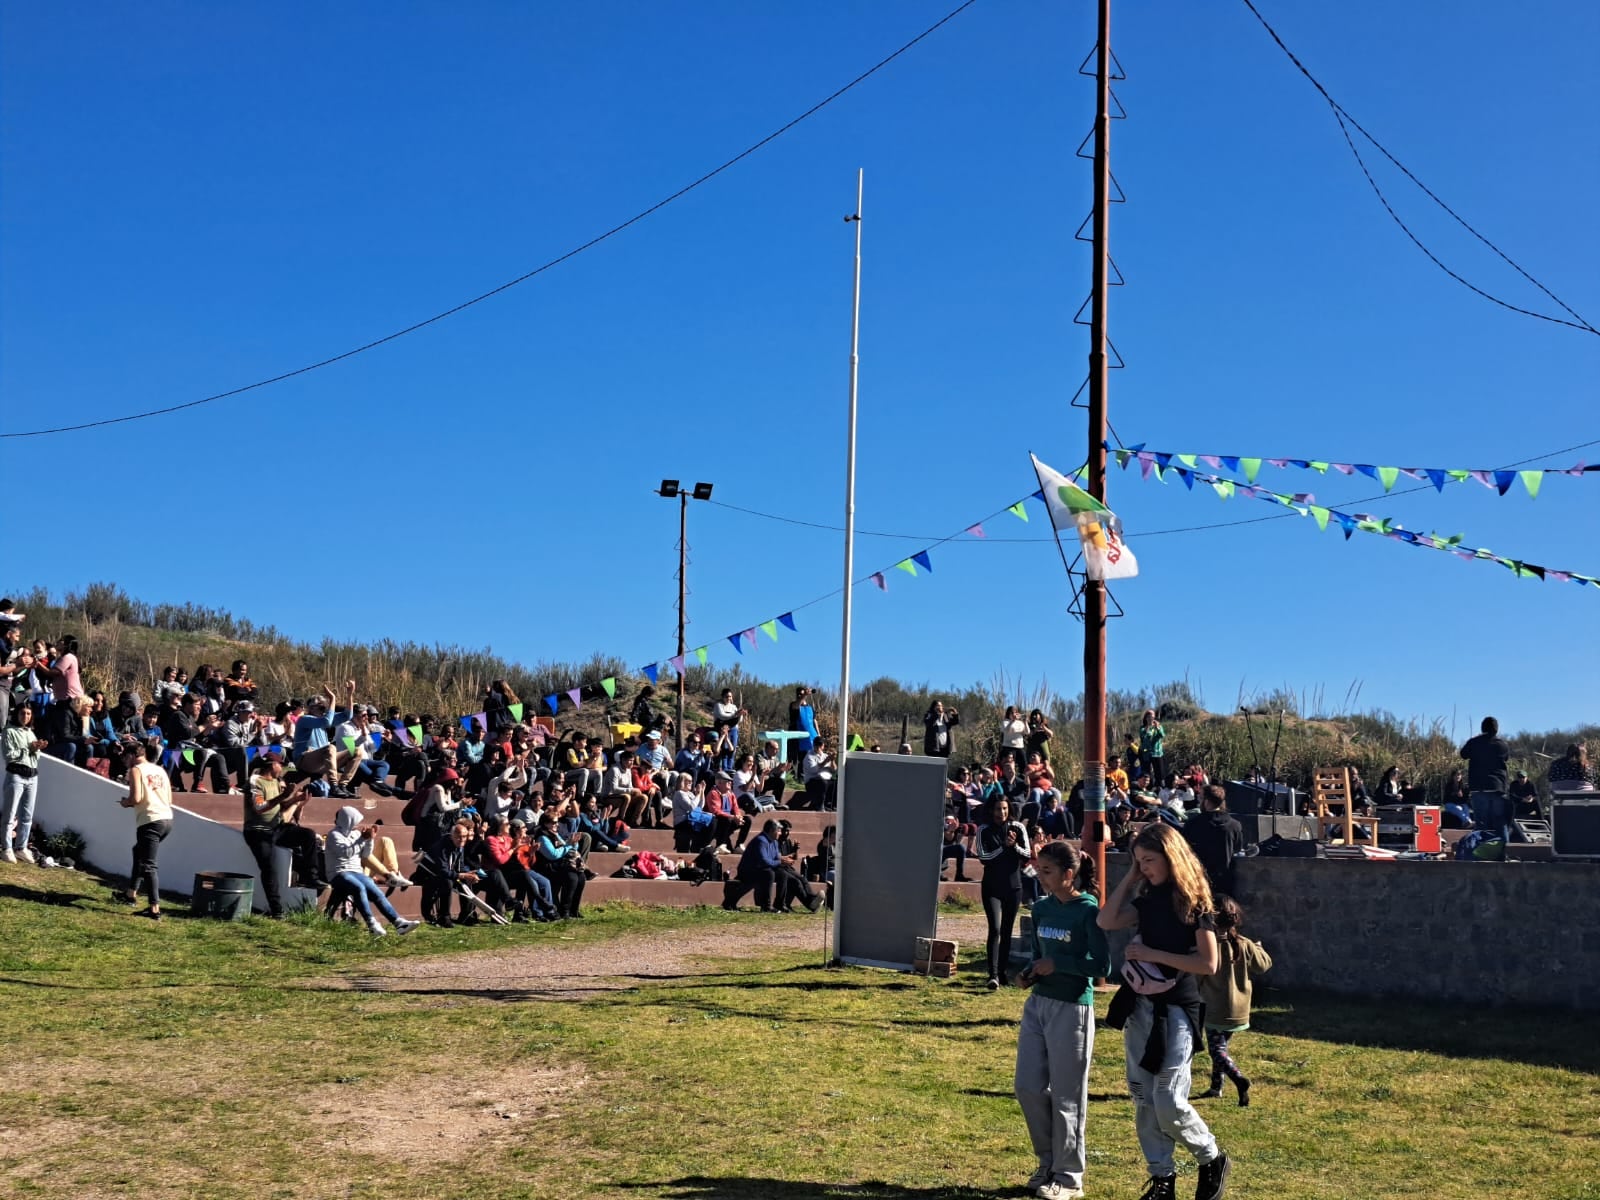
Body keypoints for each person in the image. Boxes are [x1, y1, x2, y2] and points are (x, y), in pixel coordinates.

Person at [1096, 824, 1231, 1200]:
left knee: (1168, 1099)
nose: (1145, 868)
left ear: (1172, 857)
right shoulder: (1146, 897)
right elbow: (1105, 921)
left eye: (1150, 860)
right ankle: (1162, 1180)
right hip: (1139, 1005)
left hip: (1177, 1010)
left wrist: (1152, 955)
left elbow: (1208, 963)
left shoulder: (1196, 904)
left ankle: (1211, 1157)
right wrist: (1130, 876)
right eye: (1140, 861)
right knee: (1142, 1096)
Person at [1014, 840, 1110, 1200]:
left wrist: (1060, 965)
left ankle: (1069, 1176)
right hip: (1038, 1004)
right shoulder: (1041, 909)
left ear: (1069, 875)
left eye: (1047, 871)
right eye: (1038, 870)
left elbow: (1102, 966)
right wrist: (1027, 974)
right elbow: (1039, 955)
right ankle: (1047, 1161)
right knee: (1027, 1087)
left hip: (1072, 1008)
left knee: (1068, 1096)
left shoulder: (1087, 911)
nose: (1040, 877)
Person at [1196, 895, 1271, 1107]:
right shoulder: (1244, 944)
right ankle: (1215, 1087)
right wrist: (1259, 948)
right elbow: (1263, 965)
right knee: (1221, 1048)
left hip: (1215, 1008)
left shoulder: (1208, 948)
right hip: (1239, 1010)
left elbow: (1197, 974)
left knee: (1216, 1050)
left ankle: (1239, 1078)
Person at [243, 757, 325, 917]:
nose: (282, 768)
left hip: (277, 828)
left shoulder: (276, 782)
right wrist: (284, 796)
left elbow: (280, 806)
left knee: (308, 835)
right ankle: (276, 909)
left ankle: (311, 876)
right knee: (268, 867)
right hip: (258, 831)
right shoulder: (255, 781)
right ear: (272, 765)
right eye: (280, 764)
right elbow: (260, 807)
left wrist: (295, 799)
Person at [324, 806, 418, 936]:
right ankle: (372, 924)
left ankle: (398, 922)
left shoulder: (356, 834)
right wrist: (363, 839)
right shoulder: (334, 835)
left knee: (374, 890)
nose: (357, 825)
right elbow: (346, 853)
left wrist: (370, 840)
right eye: (355, 822)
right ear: (348, 820)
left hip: (356, 872)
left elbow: (365, 855)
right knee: (358, 887)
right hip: (339, 873)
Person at [977, 796, 1031, 990]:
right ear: (992, 810)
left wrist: (1014, 846)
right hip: (992, 887)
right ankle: (992, 974)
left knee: (1007, 931)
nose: (1002, 813)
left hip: (1013, 887)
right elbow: (984, 857)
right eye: (998, 809)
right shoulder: (984, 829)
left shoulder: (1018, 828)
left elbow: (1027, 854)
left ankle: (1002, 973)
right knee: (996, 929)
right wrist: (1003, 847)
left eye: (1005, 809)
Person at [117, 741, 173, 918]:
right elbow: (169, 797)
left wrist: (125, 802)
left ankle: (154, 908)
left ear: (133, 756)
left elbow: (136, 797)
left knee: (149, 865)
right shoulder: (159, 770)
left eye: (126, 757)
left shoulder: (136, 770)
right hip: (166, 819)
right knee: (138, 852)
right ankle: (130, 893)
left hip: (150, 820)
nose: (125, 762)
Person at [1181, 786, 1245, 899]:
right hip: (1225, 881)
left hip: (1198, 880)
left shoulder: (1193, 825)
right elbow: (1237, 849)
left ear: (1206, 801)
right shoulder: (1234, 825)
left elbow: (1185, 851)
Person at [3, 701, 44, 863]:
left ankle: (21, 847)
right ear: (17, 714)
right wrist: (28, 749)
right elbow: (9, 755)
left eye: (28, 714)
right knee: (10, 814)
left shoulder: (30, 732)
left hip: (32, 776)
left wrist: (37, 747)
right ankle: (6, 848)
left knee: (27, 815)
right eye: (22, 713)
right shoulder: (9, 731)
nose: (25, 716)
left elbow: (37, 757)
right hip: (16, 775)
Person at [1459, 717, 1510, 846]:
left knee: (1481, 821)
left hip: (1479, 786)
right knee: (1500, 820)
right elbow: (1506, 758)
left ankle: (1480, 850)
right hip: (1497, 786)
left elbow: (1463, 754)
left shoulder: (1474, 742)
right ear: (1496, 729)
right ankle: (1504, 851)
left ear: (1482, 728)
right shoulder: (1502, 744)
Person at [723, 819, 787, 912]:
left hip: (761, 869)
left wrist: (783, 860)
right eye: (778, 830)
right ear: (771, 831)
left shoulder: (775, 842)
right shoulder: (761, 841)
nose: (780, 833)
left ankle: (780, 904)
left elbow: (776, 858)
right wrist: (780, 862)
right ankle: (766, 906)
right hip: (749, 871)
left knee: (782, 874)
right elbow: (764, 861)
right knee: (769, 874)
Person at [533, 811, 586, 918]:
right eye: (554, 822)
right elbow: (553, 854)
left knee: (581, 877)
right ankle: (565, 910)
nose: (557, 825)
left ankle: (574, 909)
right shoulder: (542, 837)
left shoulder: (555, 834)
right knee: (571, 878)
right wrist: (568, 846)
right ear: (545, 824)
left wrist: (573, 843)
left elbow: (570, 847)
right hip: (548, 867)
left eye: (557, 822)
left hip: (559, 865)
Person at [787, 686, 818, 771]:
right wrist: (804, 695)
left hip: (810, 737)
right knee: (795, 758)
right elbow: (796, 705)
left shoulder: (810, 707)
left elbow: (814, 721)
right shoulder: (793, 705)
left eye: (802, 694)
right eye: (799, 694)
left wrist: (818, 734)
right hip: (796, 738)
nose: (801, 696)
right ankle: (794, 778)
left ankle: (804, 777)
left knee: (809, 758)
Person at [801, 736, 836, 810]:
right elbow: (814, 770)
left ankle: (830, 804)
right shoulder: (809, 756)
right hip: (812, 783)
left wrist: (832, 760)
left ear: (823, 746)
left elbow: (834, 770)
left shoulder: (825, 756)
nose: (818, 747)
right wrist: (825, 761)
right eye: (816, 745)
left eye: (820, 745)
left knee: (836, 784)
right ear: (813, 745)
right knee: (822, 782)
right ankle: (819, 805)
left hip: (826, 780)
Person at [1139, 710, 1165, 787]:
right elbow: (1143, 738)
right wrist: (1148, 729)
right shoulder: (1143, 728)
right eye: (1150, 716)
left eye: (1153, 717)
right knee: (1147, 772)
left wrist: (1157, 728)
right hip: (1147, 753)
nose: (1152, 718)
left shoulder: (1159, 726)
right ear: (1146, 718)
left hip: (1157, 753)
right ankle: (1149, 787)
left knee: (1159, 772)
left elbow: (1162, 735)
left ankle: (1160, 787)